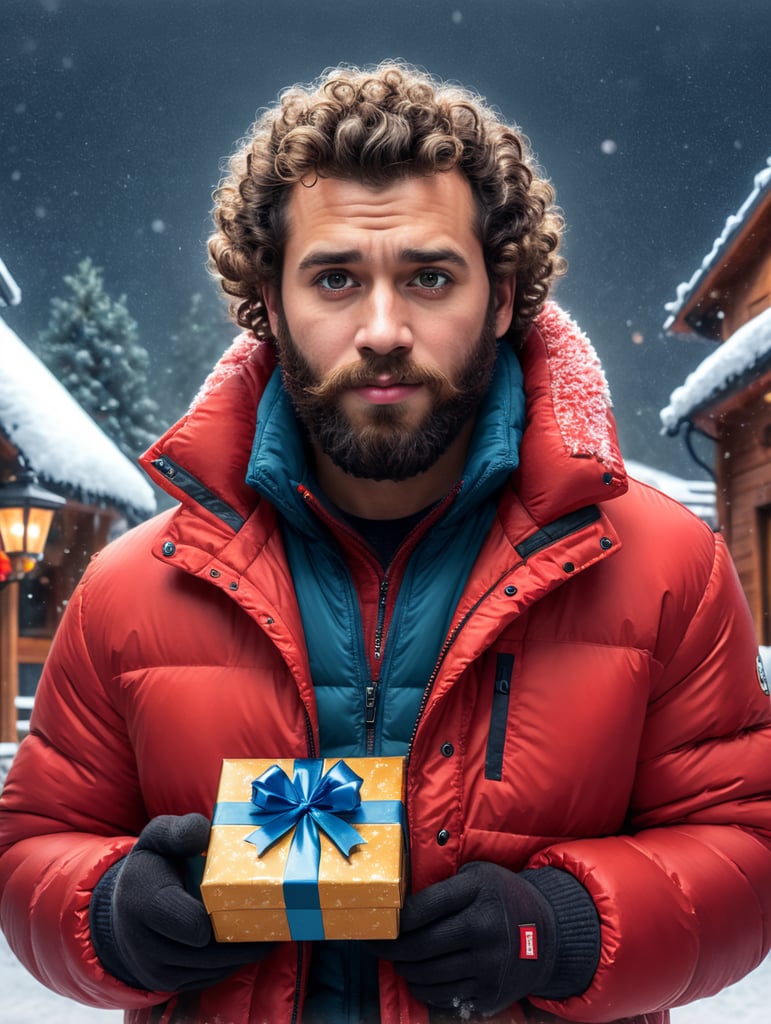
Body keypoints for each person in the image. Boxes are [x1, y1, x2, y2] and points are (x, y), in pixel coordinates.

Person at [1, 61, 770, 1024]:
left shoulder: (663, 569)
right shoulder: (130, 588)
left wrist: (558, 924)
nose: (381, 329)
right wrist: (108, 911)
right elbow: (36, 842)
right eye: (334, 279)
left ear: (500, 298)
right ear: (270, 307)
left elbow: (744, 847)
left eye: (428, 277)